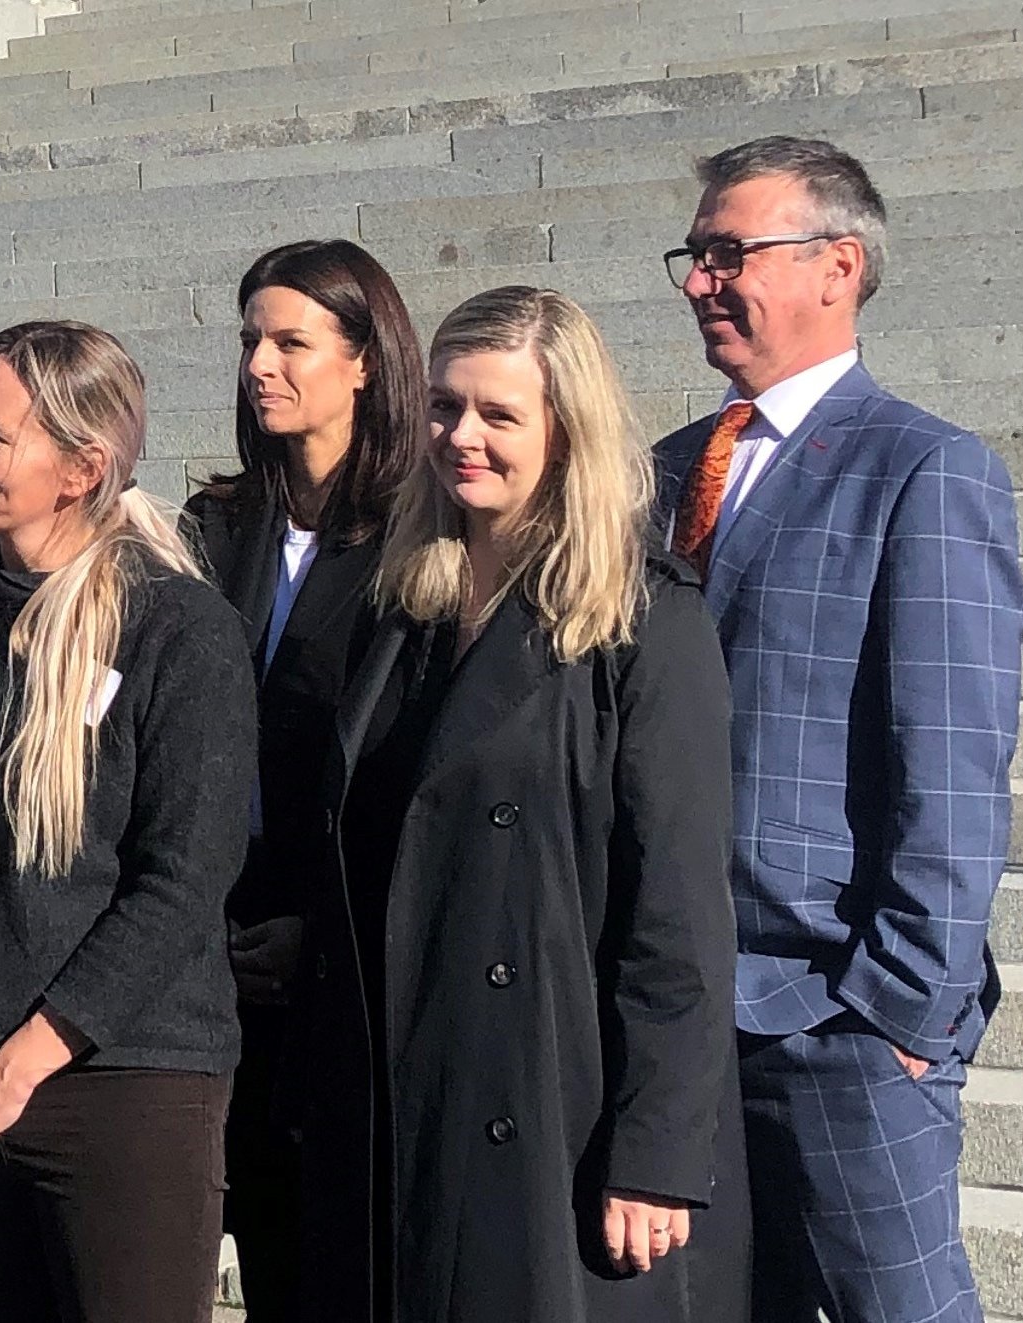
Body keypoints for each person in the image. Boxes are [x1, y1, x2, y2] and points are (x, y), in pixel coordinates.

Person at [289, 286, 741, 1322]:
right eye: (447, 408)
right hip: (398, 1087)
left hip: (552, 1098)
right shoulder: (403, 609)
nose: (462, 438)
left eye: (499, 415)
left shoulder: (645, 626)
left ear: (566, 433)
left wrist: (660, 1145)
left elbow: (677, 910)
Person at [651, 136, 1023, 1323]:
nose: (705, 281)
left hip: (838, 1019)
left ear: (839, 266)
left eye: (730, 254)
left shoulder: (924, 469)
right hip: (682, 1015)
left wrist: (901, 1010)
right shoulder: (657, 474)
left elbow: (955, 764)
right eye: (696, 257)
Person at [0, 322, 250, 1323]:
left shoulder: (180, 628)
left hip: (122, 1084)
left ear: (81, 467)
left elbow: (183, 883)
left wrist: (21, 1064)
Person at [183, 239, 425, 1319]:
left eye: (290, 341)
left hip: (340, 966)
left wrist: (319, 926)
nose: (260, 365)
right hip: (209, 958)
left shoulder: (421, 535)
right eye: (250, 341)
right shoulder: (217, 523)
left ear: (365, 360)